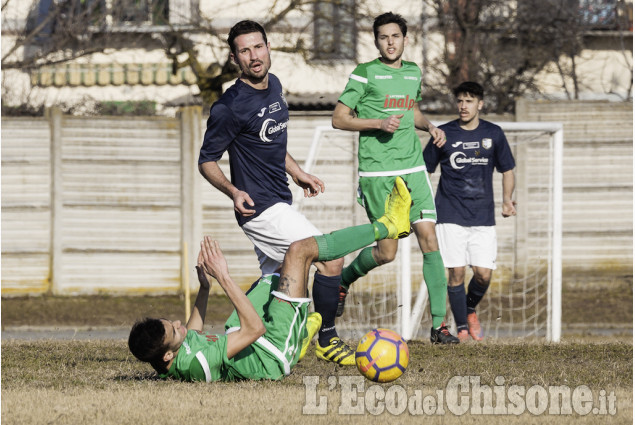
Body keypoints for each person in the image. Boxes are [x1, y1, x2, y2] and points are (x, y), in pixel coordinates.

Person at [128, 178, 413, 382]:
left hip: (245, 336)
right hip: (272, 349)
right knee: (299, 250)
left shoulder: (172, 353)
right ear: (167, 356)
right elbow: (255, 329)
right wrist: (225, 278)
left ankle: (303, 330)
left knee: (276, 273)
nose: (179, 325)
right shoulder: (196, 365)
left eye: (172, 322)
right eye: (174, 331)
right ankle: (388, 226)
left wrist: (205, 288)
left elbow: (193, 332)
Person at [198, 20, 354, 365]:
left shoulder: (276, 86)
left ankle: (233, 344)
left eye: (258, 47)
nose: (254, 56)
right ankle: (327, 339)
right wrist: (233, 191)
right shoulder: (228, 106)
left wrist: (297, 172)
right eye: (245, 50)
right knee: (329, 259)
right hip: (260, 209)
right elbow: (206, 161)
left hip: (280, 199)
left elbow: (268, 144)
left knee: (276, 283)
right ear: (234, 57)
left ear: (268, 48)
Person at [331, 12, 458, 344]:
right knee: (387, 253)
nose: (390, 42)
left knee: (429, 240)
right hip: (378, 174)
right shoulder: (365, 74)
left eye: (396, 36)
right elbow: (339, 119)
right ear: (376, 41)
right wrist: (376, 123)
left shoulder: (414, 72)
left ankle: (440, 326)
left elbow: (411, 109)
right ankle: (343, 279)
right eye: (383, 37)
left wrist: (429, 126)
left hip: (413, 169)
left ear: (406, 39)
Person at [423, 81, 516, 342]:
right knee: (456, 273)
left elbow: (507, 169)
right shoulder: (442, 133)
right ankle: (461, 328)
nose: (463, 106)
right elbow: (424, 171)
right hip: (449, 213)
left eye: (469, 101)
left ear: (480, 104)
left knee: (483, 274)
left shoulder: (494, 134)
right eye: (460, 101)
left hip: (483, 216)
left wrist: (507, 199)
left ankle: (470, 307)